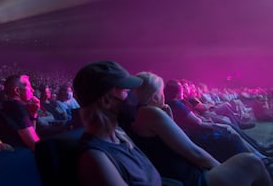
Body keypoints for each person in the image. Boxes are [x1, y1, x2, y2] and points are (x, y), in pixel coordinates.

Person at [130, 71, 272, 186]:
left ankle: (263, 156)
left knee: (231, 134)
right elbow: (194, 152)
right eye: (161, 93)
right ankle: (265, 161)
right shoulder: (151, 113)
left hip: (176, 173)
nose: (164, 96)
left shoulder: (136, 114)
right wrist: (220, 169)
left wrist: (169, 118)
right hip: (190, 177)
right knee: (252, 162)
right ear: (155, 97)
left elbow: (168, 144)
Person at [73, 61, 162, 185]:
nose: (132, 97)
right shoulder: (94, 157)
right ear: (106, 101)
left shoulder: (120, 135)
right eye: (126, 91)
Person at [0, 74, 40, 151]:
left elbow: (31, 136)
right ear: (17, 91)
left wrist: (33, 114)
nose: (32, 90)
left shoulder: (9, 105)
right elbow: (35, 145)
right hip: (17, 155)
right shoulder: (16, 107)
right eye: (29, 86)